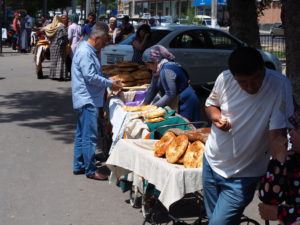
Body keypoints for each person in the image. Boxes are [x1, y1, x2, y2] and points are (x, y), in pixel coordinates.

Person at [203, 46, 294, 225]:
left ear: (263, 69)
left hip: (245, 174)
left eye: (256, 79)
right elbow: (211, 105)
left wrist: (275, 177)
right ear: (233, 76)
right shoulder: (224, 78)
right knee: (212, 219)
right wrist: (216, 117)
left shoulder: (279, 85)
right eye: (242, 82)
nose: (251, 86)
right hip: (212, 161)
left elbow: (276, 135)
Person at [71, 22, 121, 180]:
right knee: (89, 136)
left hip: (86, 97)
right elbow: (90, 77)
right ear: (97, 37)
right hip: (88, 99)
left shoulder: (89, 50)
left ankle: (79, 165)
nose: (105, 44)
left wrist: (108, 78)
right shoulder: (86, 51)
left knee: (82, 134)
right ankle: (91, 170)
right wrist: (110, 83)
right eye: (105, 41)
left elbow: (94, 73)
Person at [258, 108, 300, 225]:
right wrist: (280, 159)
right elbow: (268, 198)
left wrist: (280, 213)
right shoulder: (292, 159)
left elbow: (271, 211)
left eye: (296, 129)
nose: (290, 133)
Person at [142, 45, 201, 124]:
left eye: (147, 64)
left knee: (188, 129)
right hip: (179, 100)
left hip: (185, 102)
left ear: (155, 61)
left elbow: (170, 93)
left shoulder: (167, 70)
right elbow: (153, 88)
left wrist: (154, 107)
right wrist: (144, 104)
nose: (147, 68)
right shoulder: (157, 70)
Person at [43, 15, 68, 80]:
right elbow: (65, 35)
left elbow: (46, 33)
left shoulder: (51, 26)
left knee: (53, 61)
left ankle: (53, 75)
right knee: (60, 60)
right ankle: (60, 76)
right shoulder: (61, 26)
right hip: (60, 46)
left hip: (52, 46)